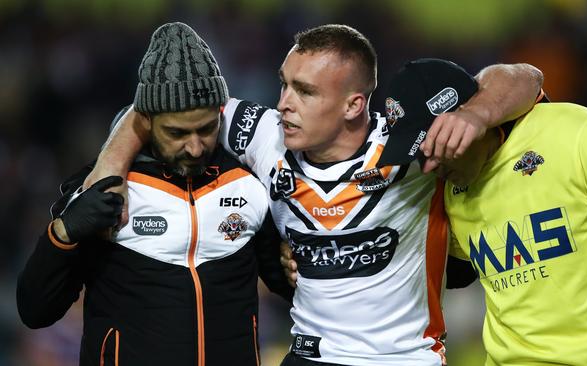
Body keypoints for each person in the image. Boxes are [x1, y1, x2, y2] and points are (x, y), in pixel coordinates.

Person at [85, 24, 543, 366]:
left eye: (304, 91)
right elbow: (160, 106)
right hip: (309, 355)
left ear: (353, 104)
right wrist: (108, 170)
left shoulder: (408, 145)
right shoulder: (263, 135)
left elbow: (525, 77)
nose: (283, 101)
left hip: (403, 358)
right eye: (284, 82)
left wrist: (476, 115)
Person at [16, 22, 292, 366]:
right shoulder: (104, 186)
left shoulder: (248, 183)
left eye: (206, 129)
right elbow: (35, 310)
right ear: (145, 120)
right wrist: (62, 234)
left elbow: (288, 287)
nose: (194, 147)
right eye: (177, 132)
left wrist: (296, 256)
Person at [380, 58, 587, 365]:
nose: (427, 167)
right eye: (419, 156)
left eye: (434, 148)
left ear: (462, 122)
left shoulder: (582, 137)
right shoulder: (448, 193)